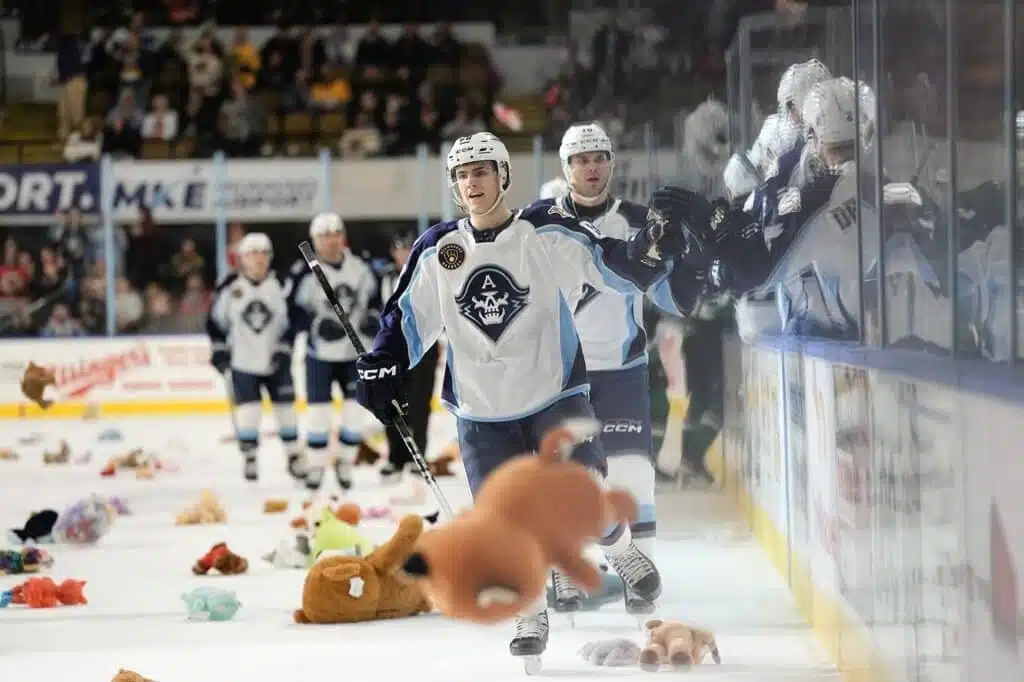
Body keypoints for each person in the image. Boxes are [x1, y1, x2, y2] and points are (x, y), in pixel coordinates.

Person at [354, 132, 687, 663]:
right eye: (463, 175)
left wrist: (649, 252)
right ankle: (531, 611)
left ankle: (620, 549)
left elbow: (608, 264)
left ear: (503, 176)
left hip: (553, 391)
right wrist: (383, 361)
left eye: (482, 171)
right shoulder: (439, 248)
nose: (472, 183)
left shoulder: (544, 230)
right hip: (481, 410)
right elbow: (405, 319)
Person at [532, 123, 704, 614]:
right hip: (560, 376)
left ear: (610, 163)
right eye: (580, 160)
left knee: (632, 473)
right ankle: (566, 570)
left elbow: (672, 295)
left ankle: (638, 578)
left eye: (598, 158)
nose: (590, 168)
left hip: (622, 368)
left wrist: (693, 263)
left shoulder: (640, 220)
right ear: (566, 167)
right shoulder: (538, 224)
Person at [291, 213, 378, 492]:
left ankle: (345, 461)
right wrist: (315, 324)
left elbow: (377, 300)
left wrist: (373, 318)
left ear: (343, 236)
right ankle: (316, 465)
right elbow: (294, 312)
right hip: (320, 355)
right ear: (315, 240)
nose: (331, 241)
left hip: (355, 352)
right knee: (318, 414)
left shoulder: (361, 267)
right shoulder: (304, 273)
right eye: (324, 236)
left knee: (355, 411)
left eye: (335, 234)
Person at [206, 232, 304, 482]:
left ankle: (293, 456)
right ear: (242, 258)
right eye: (252, 254)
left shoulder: (282, 284)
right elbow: (215, 323)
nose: (258, 259)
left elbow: (296, 318)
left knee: (285, 409)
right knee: (248, 411)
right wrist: (219, 350)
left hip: (276, 360)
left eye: (263, 253)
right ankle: (250, 457)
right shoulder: (230, 286)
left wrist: (286, 346)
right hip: (243, 361)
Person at [377, 231, 441, 484]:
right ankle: (396, 457)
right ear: (393, 252)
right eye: (399, 248)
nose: (404, 253)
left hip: (424, 346)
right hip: (393, 348)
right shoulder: (384, 276)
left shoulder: (428, 271)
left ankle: (419, 456)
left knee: (419, 403)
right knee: (391, 401)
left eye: (408, 248)